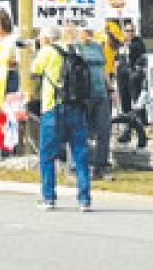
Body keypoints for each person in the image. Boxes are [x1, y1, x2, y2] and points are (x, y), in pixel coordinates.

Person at [30, 25, 91, 211]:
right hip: (76, 107)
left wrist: (37, 51)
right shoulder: (73, 49)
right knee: (80, 154)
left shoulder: (47, 51)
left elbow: (34, 72)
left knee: (47, 155)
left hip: (53, 108)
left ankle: (48, 197)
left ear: (46, 39)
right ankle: (84, 199)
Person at [74, 25, 113, 180]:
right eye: (85, 30)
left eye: (91, 29)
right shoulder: (75, 47)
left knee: (104, 130)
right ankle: (84, 165)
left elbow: (104, 70)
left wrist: (110, 89)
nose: (89, 33)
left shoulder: (98, 47)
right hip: (84, 95)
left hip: (101, 94)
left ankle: (100, 166)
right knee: (84, 132)